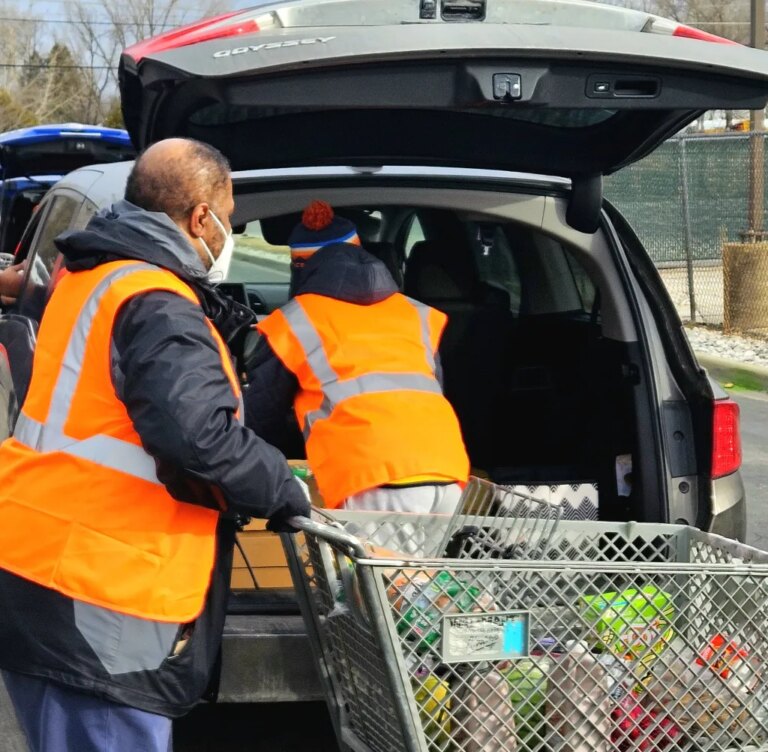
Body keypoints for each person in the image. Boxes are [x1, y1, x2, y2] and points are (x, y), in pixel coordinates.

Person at [0, 138, 310, 752]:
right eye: (230, 219)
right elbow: (198, 439)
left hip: (44, 563)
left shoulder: (94, 275)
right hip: (106, 589)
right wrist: (282, 487)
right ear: (201, 217)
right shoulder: (156, 303)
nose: (229, 235)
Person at [245, 200, 470, 515]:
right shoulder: (415, 313)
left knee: (371, 553)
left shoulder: (295, 321)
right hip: (447, 470)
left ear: (302, 267)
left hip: (371, 478)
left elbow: (259, 419)